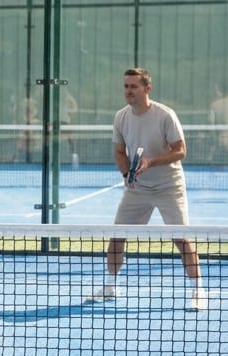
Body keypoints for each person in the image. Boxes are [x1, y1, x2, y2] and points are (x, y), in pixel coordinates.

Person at [84, 67, 205, 312]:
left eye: (134, 86)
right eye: (126, 86)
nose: (128, 91)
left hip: (169, 186)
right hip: (137, 188)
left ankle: (198, 290)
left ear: (147, 89)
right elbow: (119, 152)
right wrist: (126, 173)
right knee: (117, 237)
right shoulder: (121, 117)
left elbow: (180, 150)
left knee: (181, 239)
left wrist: (150, 162)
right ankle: (110, 286)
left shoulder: (165, 115)